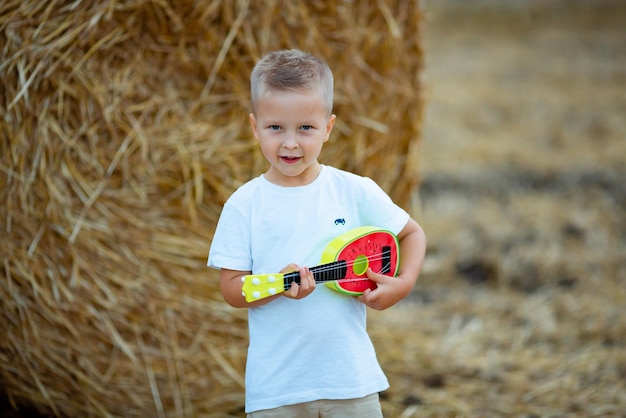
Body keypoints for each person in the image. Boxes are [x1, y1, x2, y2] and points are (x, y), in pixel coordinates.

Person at [208, 49, 427, 418]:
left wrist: (403, 283)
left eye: (305, 128)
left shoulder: (354, 190)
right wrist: (277, 285)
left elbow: (412, 233)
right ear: (254, 127)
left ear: (328, 127)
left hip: (350, 380)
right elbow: (232, 288)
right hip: (277, 388)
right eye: (275, 127)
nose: (290, 143)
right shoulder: (244, 204)